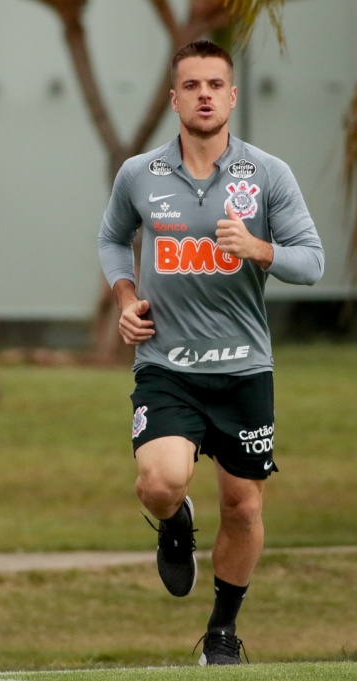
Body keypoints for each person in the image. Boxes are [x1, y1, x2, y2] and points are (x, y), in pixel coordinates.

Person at [97, 40, 324, 666]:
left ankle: (222, 634)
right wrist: (124, 298)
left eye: (214, 84)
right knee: (160, 482)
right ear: (174, 99)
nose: (203, 94)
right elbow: (114, 238)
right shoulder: (140, 174)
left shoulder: (268, 175)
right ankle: (174, 520)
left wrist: (260, 250)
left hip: (245, 370)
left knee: (243, 505)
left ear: (231, 95)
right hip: (167, 367)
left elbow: (312, 261)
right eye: (191, 85)